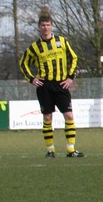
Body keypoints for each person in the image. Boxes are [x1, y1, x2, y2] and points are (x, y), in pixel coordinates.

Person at [19, 8, 85, 158]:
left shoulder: (62, 41)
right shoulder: (35, 47)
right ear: (39, 27)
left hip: (61, 84)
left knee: (69, 115)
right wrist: (32, 79)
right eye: (43, 25)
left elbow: (74, 58)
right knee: (47, 117)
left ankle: (71, 150)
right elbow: (23, 63)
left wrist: (70, 77)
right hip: (45, 86)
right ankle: (50, 151)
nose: (46, 27)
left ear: (52, 26)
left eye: (48, 25)